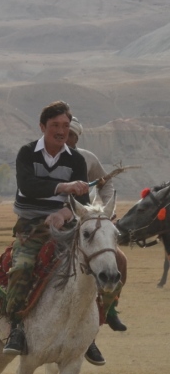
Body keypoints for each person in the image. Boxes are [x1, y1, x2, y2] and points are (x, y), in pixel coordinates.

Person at [2, 101, 108, 366]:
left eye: (65, 126)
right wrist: (64, 186)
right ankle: (16, 328)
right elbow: (28, 186)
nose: (61, 131)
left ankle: (89, 336)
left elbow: (81, 203)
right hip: (31, 225)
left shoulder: (76, 160)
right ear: (42, 127)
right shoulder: (27, 153)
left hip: (66, 227)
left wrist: (63, 214)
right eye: (55, 125)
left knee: (92, 270)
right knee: (23, 267)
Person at [67, 117, 128, 333]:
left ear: (77, 137)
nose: (66, 137)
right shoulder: (48, 157)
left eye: (71, 134)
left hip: (86, 221)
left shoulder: (87, 158)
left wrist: (107, 210)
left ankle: (109, 310)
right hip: (56, 221)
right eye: (63, 132)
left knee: (119, 259)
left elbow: (105, 182)